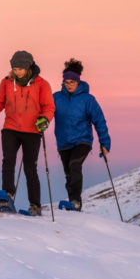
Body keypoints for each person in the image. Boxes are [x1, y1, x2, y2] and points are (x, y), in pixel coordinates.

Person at [0, 50, 55, 216]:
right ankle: (7, 196)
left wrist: (45, 119)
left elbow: (49, 107)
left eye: (20, 68)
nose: (17, 71)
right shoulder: (6, 82)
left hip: (32, 130)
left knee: (30, 167)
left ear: (28, 67)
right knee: (8, 161)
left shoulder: (42, 84)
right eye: (14, 68)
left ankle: (35, 205)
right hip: (10, 128)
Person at [52, 58, 111, 211]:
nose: (69, 84)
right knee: (68, 174)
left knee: (74, 166)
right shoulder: (56, 98)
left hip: (82, 140)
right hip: (63, 142)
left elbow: (99, 121)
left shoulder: (88, 99)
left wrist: (104, 143)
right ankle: (73, 202)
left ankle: (75, 202)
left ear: (78, 81)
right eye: (66, 82)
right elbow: (45, 112)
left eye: (72, 81)